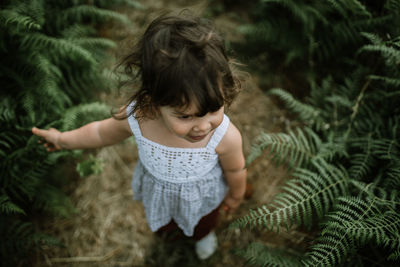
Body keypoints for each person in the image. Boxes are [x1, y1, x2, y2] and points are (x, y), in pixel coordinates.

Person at [32, 10, 247, 260]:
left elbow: (235, 170)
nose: (201, 126)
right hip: (158, 193)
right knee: (165, 225)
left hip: (201, 200)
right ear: (154, 101)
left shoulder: (225, 136)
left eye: (212, 110)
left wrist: (235, 194)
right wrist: (62, 139)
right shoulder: (139, 118)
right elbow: (101, 133)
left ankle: (203, 235)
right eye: (185, 117)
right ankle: (169, 232)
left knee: (203, 222)